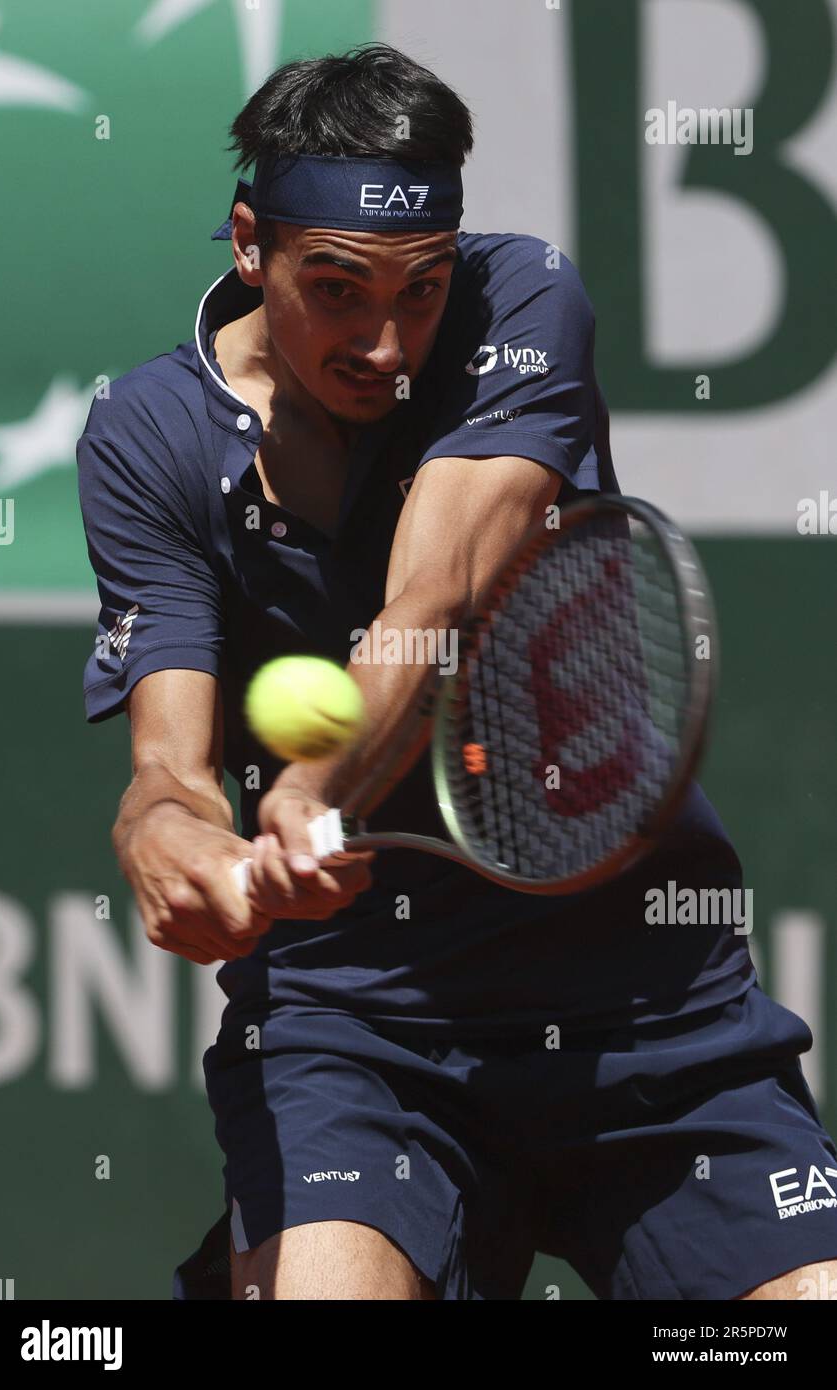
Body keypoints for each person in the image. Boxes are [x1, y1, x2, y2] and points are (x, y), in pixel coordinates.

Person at [77, 43, 837, 1301]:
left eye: (420, 289)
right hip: (354, 1024)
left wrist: (316, 784)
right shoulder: (146, 432)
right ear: (248, 241)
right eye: (338, 288)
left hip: (649, 1015)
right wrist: (174, 847)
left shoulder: (522, 296)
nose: (387, 345)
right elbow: (166, 765)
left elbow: (429, 604)